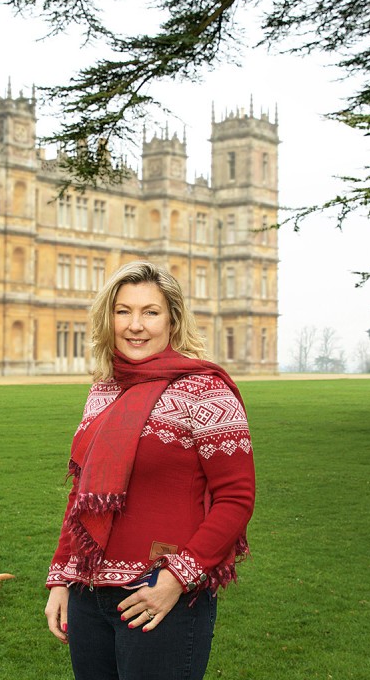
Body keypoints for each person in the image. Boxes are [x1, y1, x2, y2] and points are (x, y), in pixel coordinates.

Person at [44, 261, 256, 680]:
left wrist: (178, 578)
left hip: (161, 593)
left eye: (150, 312)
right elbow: (82, 495)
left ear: (173, 320)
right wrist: (61, 577)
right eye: (123, 311)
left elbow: (236, 498)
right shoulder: (104, 389)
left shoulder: (205, 390)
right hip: (89, 593)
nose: (135, 325)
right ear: (108, 318)